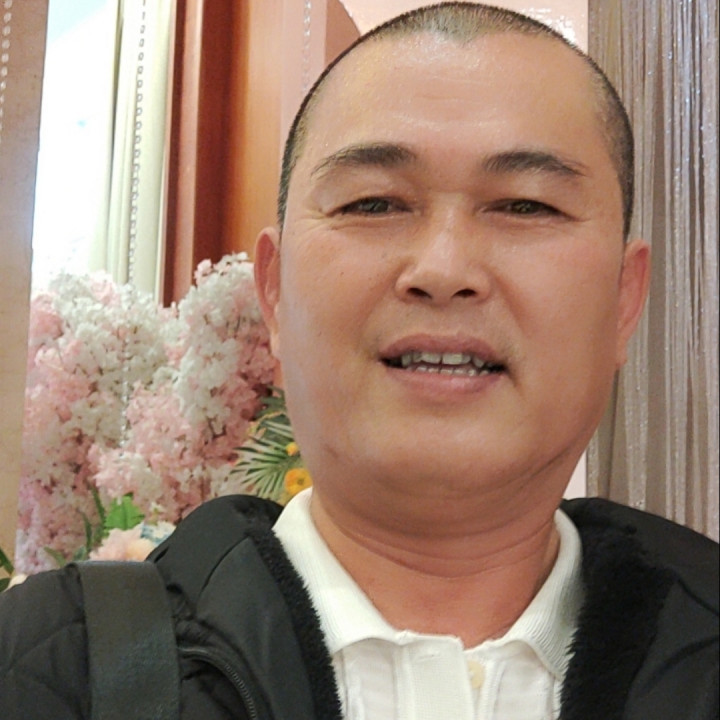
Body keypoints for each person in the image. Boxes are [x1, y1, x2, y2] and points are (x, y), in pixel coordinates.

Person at [0, 3, 717, 719]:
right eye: (373, 204)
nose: (443, 269)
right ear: (275, 294)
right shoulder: (43, 667)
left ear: (624, 300)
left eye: (526, 206)